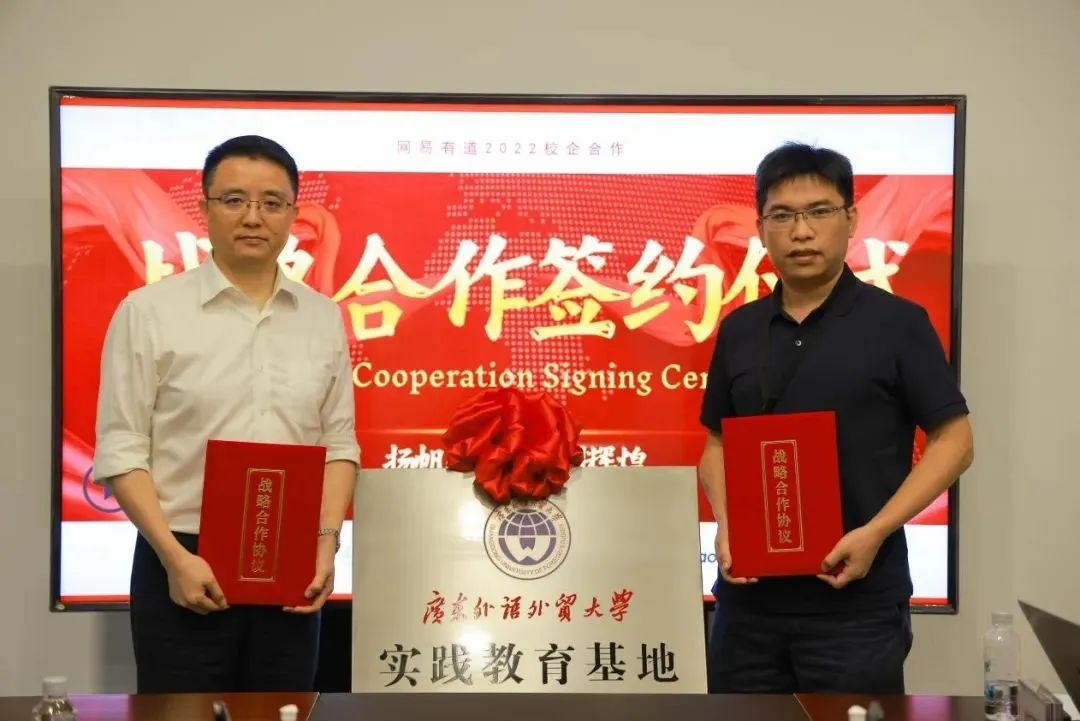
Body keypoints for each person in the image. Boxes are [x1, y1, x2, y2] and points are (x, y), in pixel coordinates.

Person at [698, 142, 974, 693]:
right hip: (748, 609)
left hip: (856, 607)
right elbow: (716, 446)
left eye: (819, 211)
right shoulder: (739, 329)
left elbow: (955, 440)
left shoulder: (898, 323)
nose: (801, 232)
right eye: (782, 216)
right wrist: (728, 527)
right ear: (761, 228)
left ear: (851, 219)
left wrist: (875, 532)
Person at [92, 135, 360, 693]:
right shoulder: (148, 312)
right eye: (234, 200)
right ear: (206, 207)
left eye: (272, 203)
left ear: (293, 213)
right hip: (181, 557)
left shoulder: (321, 317)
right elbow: (121, 450)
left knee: (283, 711)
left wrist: (325, 542)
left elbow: (338, 443)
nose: (253, 218)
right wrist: (173, 558)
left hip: (290, 563)